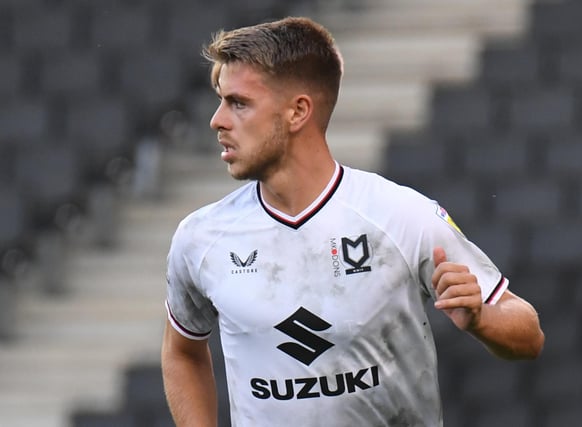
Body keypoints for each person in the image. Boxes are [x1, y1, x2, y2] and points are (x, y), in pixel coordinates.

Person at [161, 16, 544, 427]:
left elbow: (529, 335)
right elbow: (182, 351)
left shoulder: (401, 216)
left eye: (238, 103)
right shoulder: (201, 238)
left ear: (298, 112)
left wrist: (483, 319)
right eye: (221, 100)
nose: (217, 120)